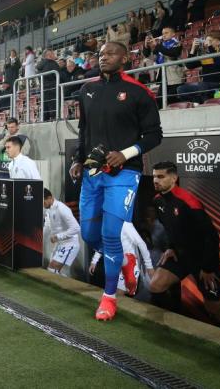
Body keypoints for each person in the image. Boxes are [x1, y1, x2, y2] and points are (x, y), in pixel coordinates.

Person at [69, 41, 163, 321]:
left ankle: (109, 298)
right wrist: (77, 158)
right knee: (88, 234)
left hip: (125, 173)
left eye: (110, 53)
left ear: (125, 58)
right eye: (100, 54)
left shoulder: (139, 92)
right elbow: (84, 130)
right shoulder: (87, 89)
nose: (103, 57)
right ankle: (124, 260)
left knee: (111, 234)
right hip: (92, 171)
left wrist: (125, 154)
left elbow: (154, 135)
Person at [149, 161, 220, 323]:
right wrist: (170, 247)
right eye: (154, 176)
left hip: (202, 259)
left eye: (161, 177)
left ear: (174, 178)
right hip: (180, 256)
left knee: (215, 309)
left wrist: (207, 267)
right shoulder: (158, 201)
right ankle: (169, 326)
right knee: (156, 285)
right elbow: (170, 229)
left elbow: (210, 235)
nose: (156, 180)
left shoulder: (189, 202)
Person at [90, 222, 154, 296]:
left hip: (131, 263)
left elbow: (141, 243)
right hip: (116, 262)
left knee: (119, 293)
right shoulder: (105, 223)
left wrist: (149, 266)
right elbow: (103, 242)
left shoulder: (126, 225)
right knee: (116, 293)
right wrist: (94, 261)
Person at [177, 33, 220, 104]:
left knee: (202, 86)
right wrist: (193, 49)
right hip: (205, 85)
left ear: (218, 42)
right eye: (207, 41)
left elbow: (219, 63)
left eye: (210, 40)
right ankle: (196, 103)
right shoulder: (205, 56)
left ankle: (204, 103)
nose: (207, 43)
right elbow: (189, 65)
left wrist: (210, 47)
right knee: (181, 89)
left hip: (219, 84)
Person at [44, 188, 81, 275]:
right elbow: (49, 226)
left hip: (70, 244)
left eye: (44, 202)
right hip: (60, 243)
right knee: (52, 271)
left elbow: (76, 228)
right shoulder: (48, 209)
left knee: (52, 269)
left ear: (49, 198)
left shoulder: (62, 208)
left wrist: (57, 237)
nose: (42, 204)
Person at [143, 27, 183, 103]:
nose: (164, 35)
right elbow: (149, 56)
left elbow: (172, 54)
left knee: (173, 101)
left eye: (166, 33)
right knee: (159, 101)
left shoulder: (177, 43)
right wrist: (146, 46)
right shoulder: (161, 46)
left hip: (174, 78)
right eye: (163, 33)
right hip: (163, 78)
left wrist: (157, 46)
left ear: (173, 34)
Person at [36, 49, 61, 121]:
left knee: (45, 109)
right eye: (53, 54)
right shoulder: (52, 63)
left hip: (43, 89)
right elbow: (58, 76)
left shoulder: (40, 65)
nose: (54, 55)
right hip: (53, 88)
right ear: (49, 55)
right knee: (54, 109)